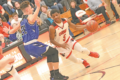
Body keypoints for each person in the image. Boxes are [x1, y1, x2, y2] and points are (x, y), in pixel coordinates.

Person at [3, 0, 69, 80]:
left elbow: (14, 30)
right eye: (31, 7)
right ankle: (56, 75)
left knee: (50, 53)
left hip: (28, 45)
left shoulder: (22, 20)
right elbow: (33, 18)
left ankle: (53, 76)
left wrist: (9, 31)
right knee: (54, 52)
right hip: (32, 44)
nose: (32, 9)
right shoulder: (29, 16)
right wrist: (38, 7)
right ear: (27, 10)